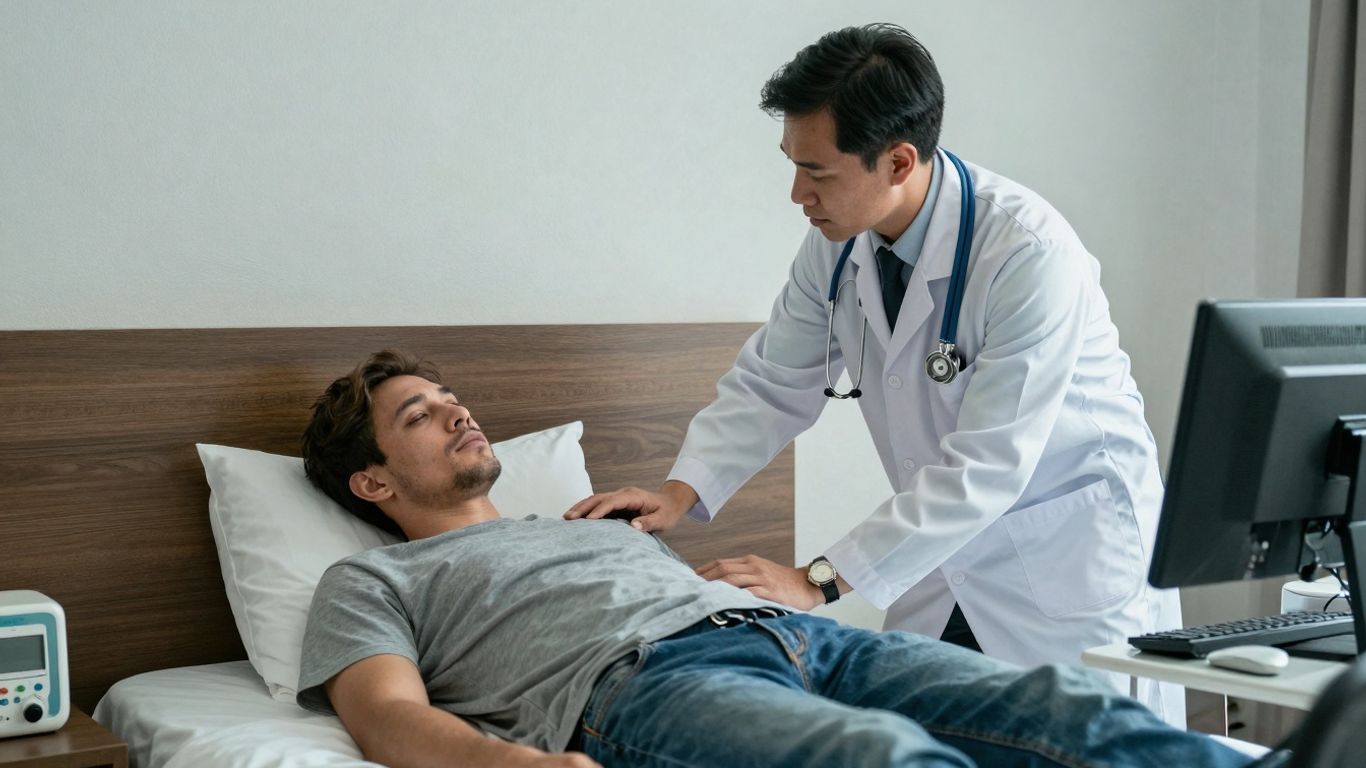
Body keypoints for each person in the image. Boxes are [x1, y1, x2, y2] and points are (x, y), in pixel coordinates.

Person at [565, 23, 1183, 723]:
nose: (797, 192)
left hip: (1063, 572)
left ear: (897, 161)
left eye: (818, 171)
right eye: (793, 165)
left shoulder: (1028, 255)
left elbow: (988, 466)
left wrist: (815, 580)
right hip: (940, 568)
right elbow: (773, 379)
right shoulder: (834, 248)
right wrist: (679, 494)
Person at [294, 349, 1273, 768]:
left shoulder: (588, 520)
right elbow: (386, 717)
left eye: (449, 396)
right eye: (419, 416)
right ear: (372, 483)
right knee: (881, 758)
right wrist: (511, 765)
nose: (458, 411)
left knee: (1061, 712)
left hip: (798, 638)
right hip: (643, 687)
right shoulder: (374, 580)